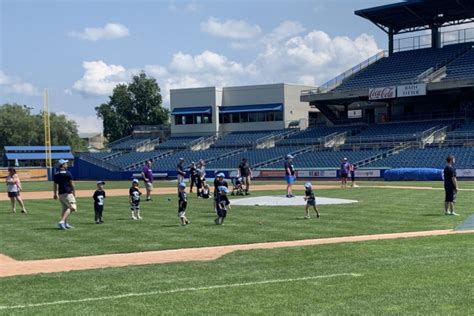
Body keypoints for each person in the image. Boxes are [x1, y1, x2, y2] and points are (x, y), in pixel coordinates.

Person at [53, 159, 76, 230]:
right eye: (65, 163)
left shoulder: (56, 174)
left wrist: (55, 193)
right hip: (68, 193)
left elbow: (55, 185)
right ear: (62, 165)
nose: (67, 164)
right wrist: (74, 192)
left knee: (65, 209)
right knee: (72, 207)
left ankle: (66, 224)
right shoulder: (68, 173)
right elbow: (72, 184)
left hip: (61, 193)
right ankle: (62, 222)